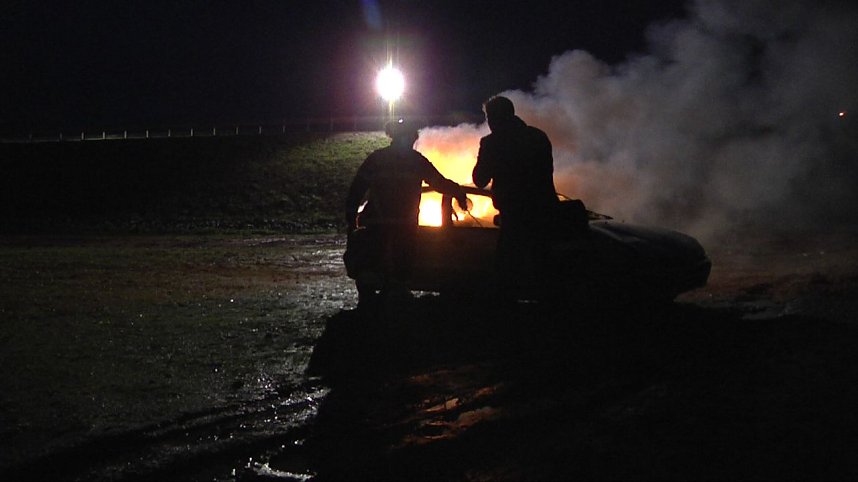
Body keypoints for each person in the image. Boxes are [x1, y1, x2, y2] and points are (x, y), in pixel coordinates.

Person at [345, 119, 468, 301]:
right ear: (410, 137)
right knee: (402, 263)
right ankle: (395, 298)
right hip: (404, 223)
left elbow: (357, 188)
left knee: (372, 261)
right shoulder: (416, 161)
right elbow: (439, 182)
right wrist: (458, 193)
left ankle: (369, 304)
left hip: (377, 222)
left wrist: (351, 215)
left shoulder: (377, 159)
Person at [472, 96, 558, 298]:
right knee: (544, 269)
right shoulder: (538, 136)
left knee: (508, 271)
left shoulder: (492, 143)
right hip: (545, 213)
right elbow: (546, 173)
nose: (489, 123)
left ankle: (509, 312)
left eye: (489, 117)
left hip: (514, 217)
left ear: (495, 118)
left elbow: (480, 180)